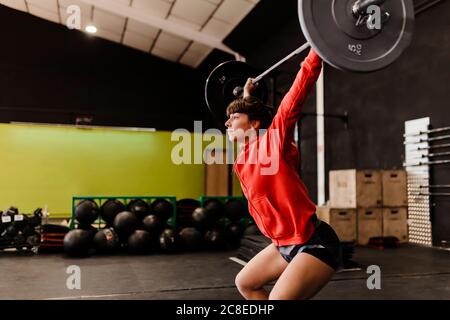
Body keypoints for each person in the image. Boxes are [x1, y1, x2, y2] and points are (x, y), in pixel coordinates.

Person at [224, 48, 342, 300]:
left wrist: (316, 52)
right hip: (282, 244)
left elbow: (295, 96)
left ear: (255, 123)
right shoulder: (244, 158)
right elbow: (251, 120)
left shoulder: (273, 143)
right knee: (245, 282)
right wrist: (246, 98)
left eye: (233, 117)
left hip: (313, 243)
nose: (227, 123)